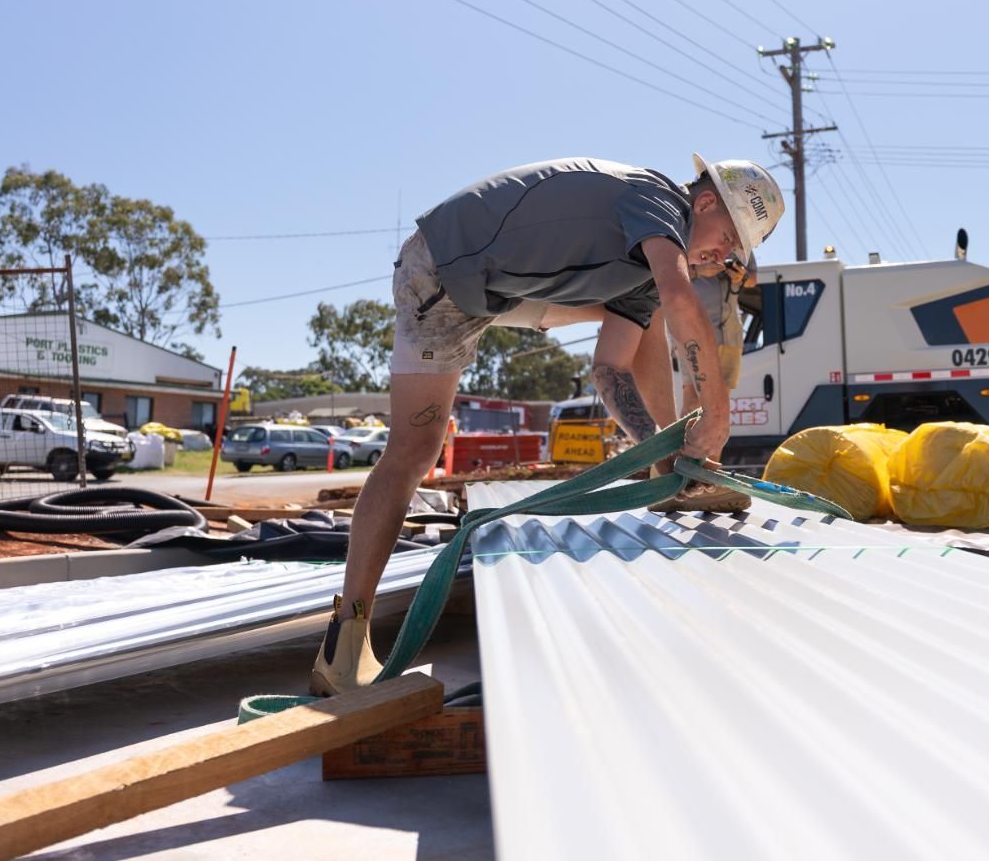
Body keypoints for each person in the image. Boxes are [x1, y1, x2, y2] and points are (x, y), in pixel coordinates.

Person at [312, 154, 784, 695]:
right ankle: (343, 646)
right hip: (442, 270)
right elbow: (680, 299)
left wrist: (667, 454)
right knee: (412, 455)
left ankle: (666, 459)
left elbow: (610, 371)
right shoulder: (658, 201)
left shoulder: (647, 266)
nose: (724, 255)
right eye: (728, 237)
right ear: (704, 203)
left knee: (644, 313)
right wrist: (716, 407)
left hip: (501, 289)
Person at [674, 253, 756, 422]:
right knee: (692, 402)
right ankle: (685, 449)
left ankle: (711, 449)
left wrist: (741, 276)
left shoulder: (740, 241)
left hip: (729, 333)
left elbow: (753, 279)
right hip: (692, 332)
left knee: (720, 405)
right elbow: (667, 272)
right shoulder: (686, 231)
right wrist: (698, 270)